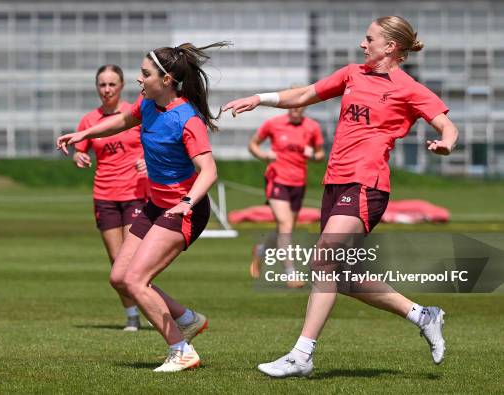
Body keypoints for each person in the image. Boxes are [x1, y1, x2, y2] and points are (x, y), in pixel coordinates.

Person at [223, 16, 458, 378]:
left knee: (322, 263)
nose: (363, 45)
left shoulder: (408, 87)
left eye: (370, 39)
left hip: (367, 184)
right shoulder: (352, 73)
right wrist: (259, 98)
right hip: (336, 184)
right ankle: (422, 314)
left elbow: (445, 122)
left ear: (390, 47)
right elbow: (303, 94)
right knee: (341, 276)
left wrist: (446, 143)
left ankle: (302, 355)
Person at [57, 41, 229, 372]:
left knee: (137, 280)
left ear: (166, 80)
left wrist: (188, 202)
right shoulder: (147, 104)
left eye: (145, 74)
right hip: (155, 206)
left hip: (184, 210)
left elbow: (209, 171)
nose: (139, 79)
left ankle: (182, 351)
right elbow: (122, 121)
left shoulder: (187, 119)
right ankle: (188, 319)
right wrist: (84, 134)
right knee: (120, 277)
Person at [72, 64, 148, 331]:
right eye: (102, 84)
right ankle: (132, 315)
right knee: (116, 262)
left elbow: (156, 143)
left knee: (133, 261)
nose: (106, 90)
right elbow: (80, 149)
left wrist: (147, 160)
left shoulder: (135, 114)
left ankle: (151, 304)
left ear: (122, 85)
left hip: (135, 194)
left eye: (112, 84)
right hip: (104, 195)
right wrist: (79, 156)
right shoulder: (89, 120)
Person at [248, 105, 325, 288]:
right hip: (277, 179)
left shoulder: (312, 127)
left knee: (285, 228)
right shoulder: (274, 124)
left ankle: (261, 251)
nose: (296, 109)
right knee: (285, 225)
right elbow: (253, 145)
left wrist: (312, 154)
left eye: (300, 106)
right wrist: (264, 155)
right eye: (293, 106)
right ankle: (290, 274)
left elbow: (321, 155)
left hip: (298, 183)